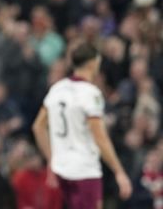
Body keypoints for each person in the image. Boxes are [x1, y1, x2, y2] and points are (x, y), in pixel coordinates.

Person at [32, 42, 132, 209]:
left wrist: (52, 158)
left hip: (61, 168)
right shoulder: (91, 94)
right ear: (94, 63)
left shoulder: (57, 89)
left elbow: (38, 127)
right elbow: (100, 137)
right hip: (85, 169)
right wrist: (119, 171)